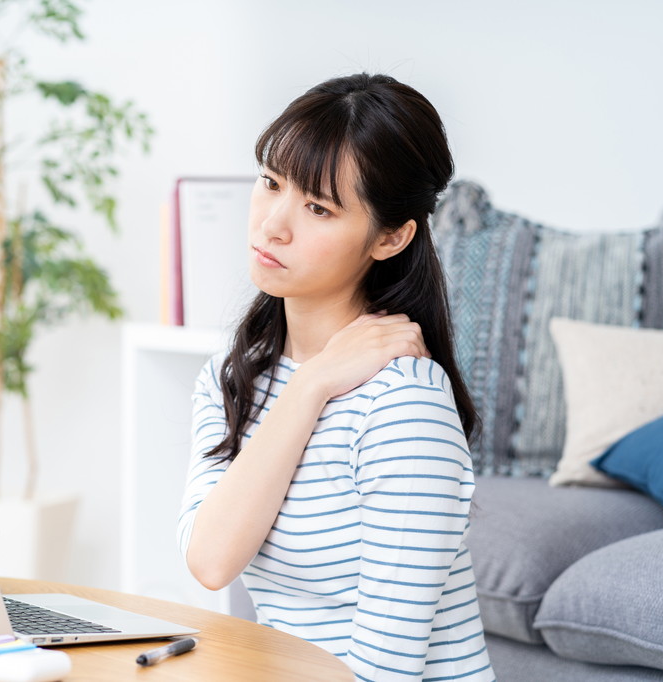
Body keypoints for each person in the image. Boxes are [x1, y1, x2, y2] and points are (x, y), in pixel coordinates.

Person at [177, 73, 495, 681]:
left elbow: (387, 669)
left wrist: (312, 384)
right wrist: (309, 386)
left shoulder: (405, 403)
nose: (273, 224)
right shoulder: (235, 375)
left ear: (391, 237)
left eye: (318, 208)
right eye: (270, 183)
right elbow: (212, 560)